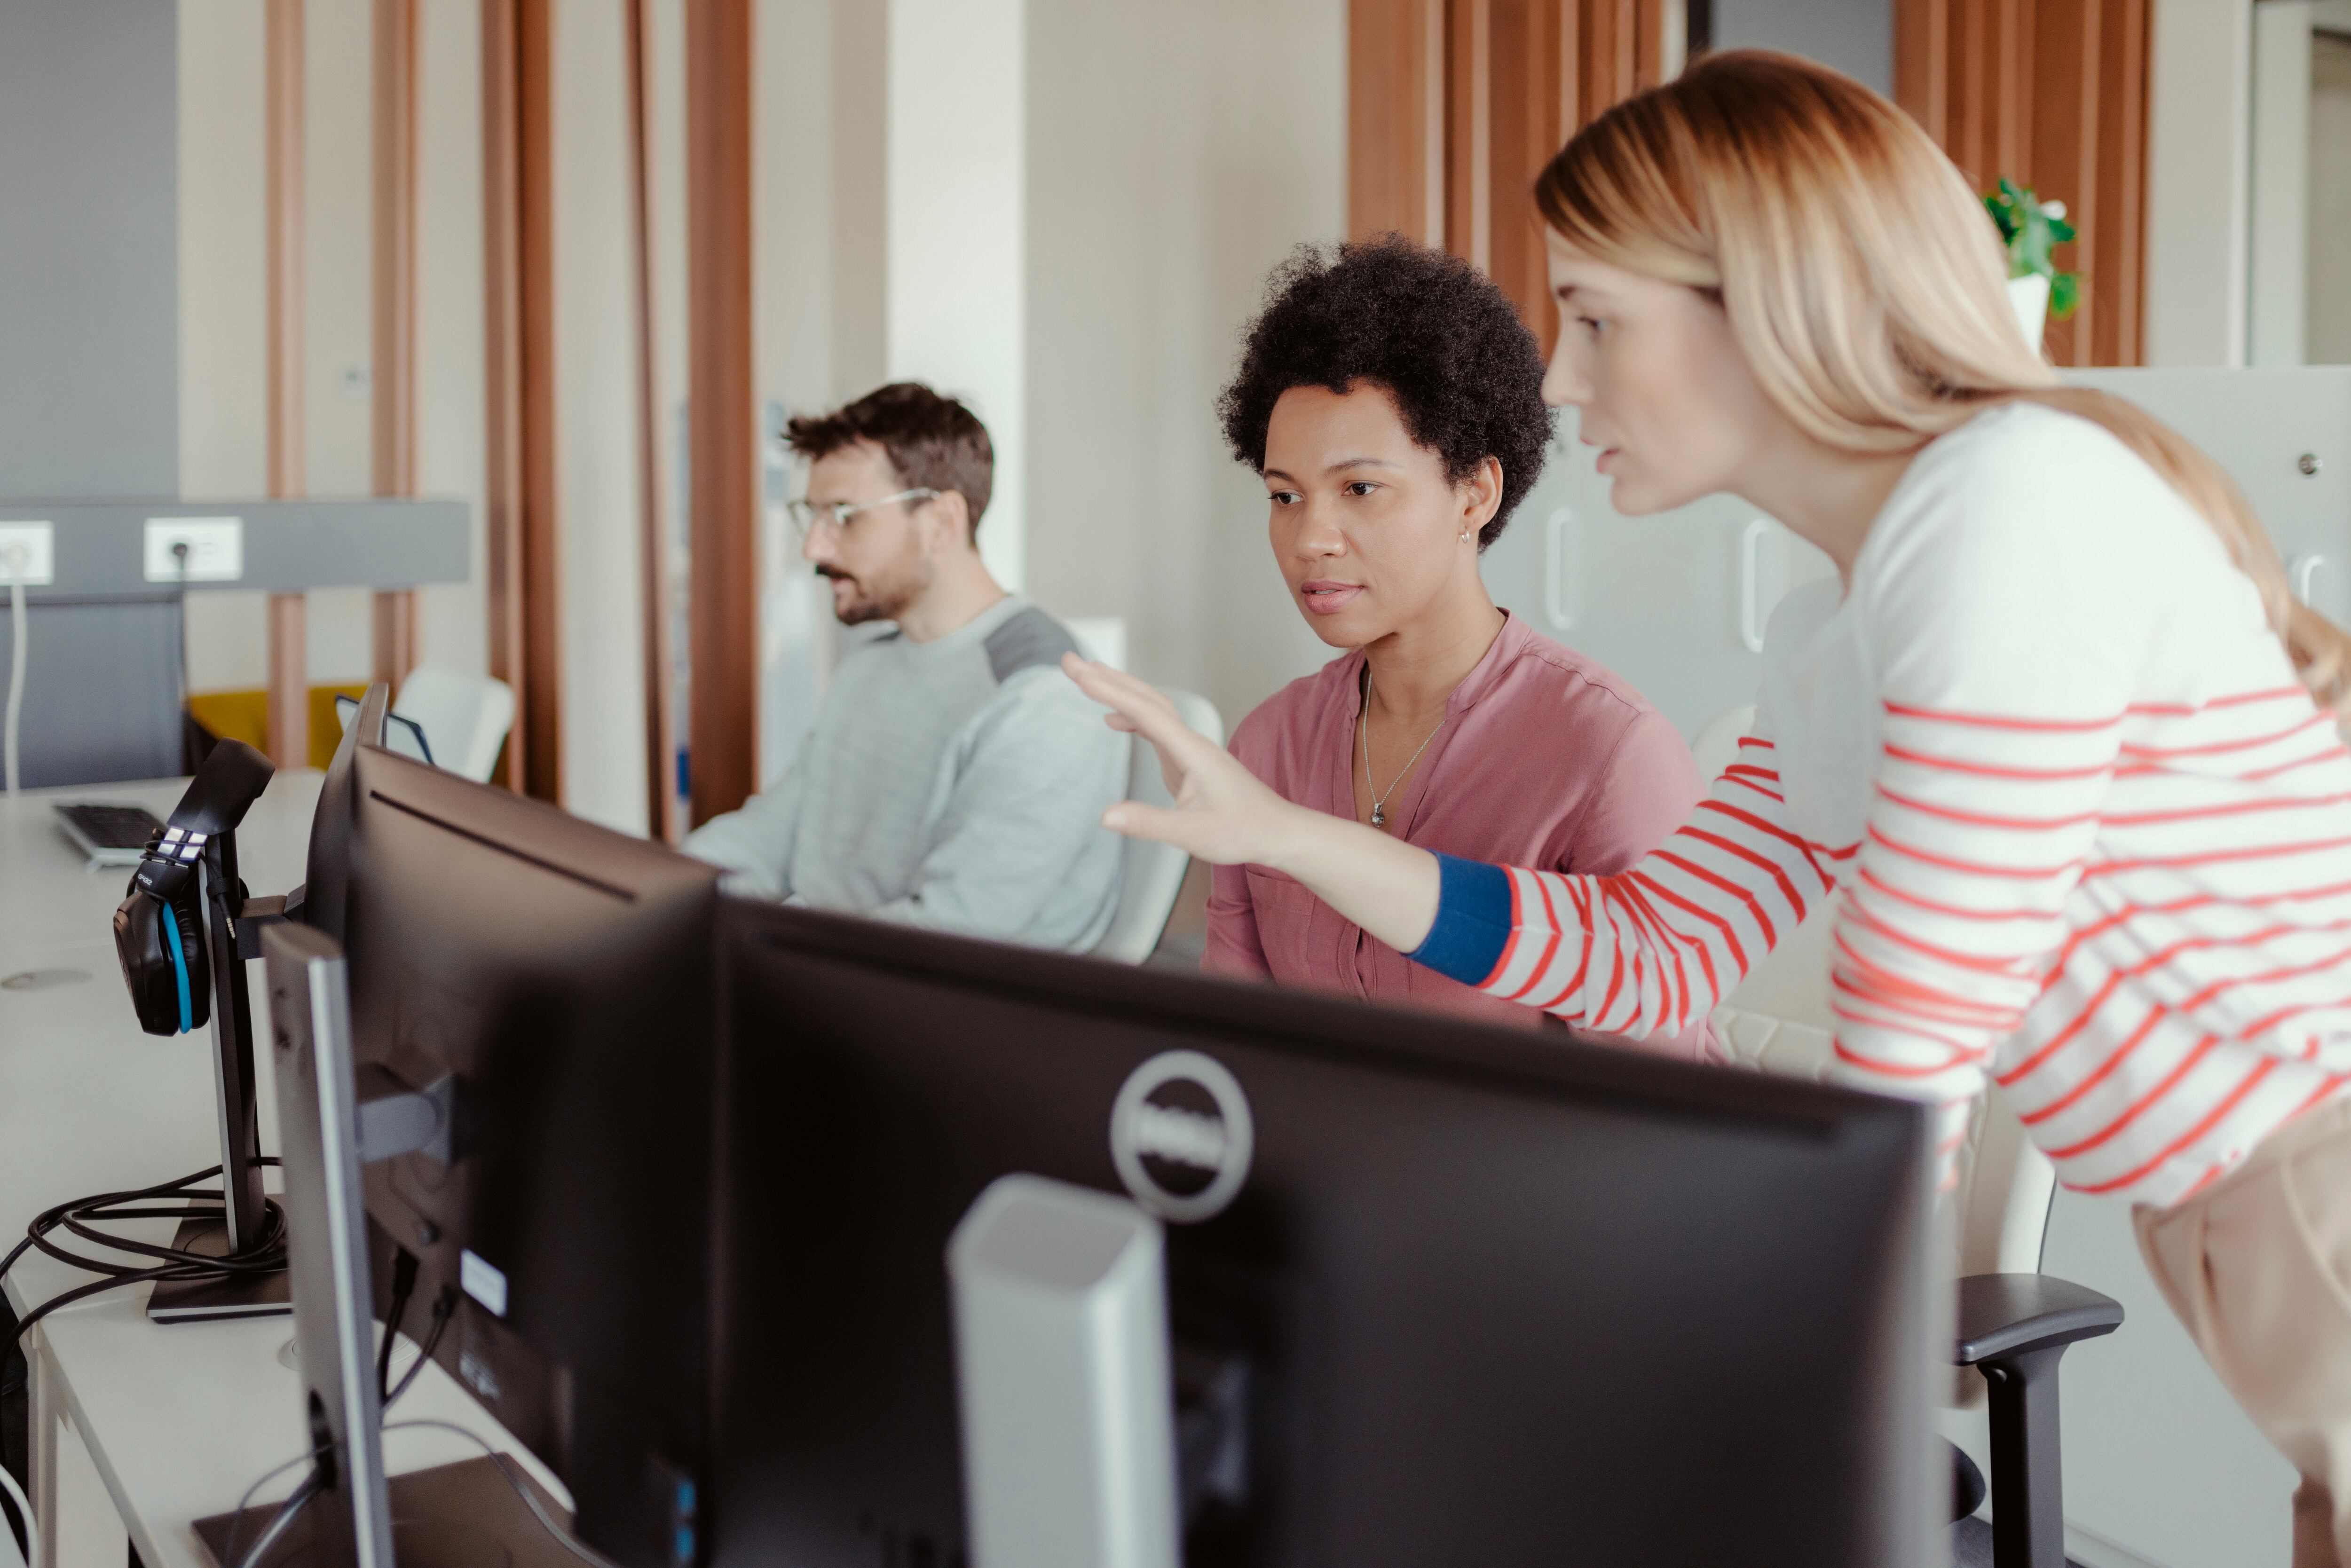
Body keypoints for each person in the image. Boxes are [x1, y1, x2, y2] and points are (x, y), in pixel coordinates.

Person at [1067, 51, 2351, 1566]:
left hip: (2308, 1172)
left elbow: (1911, 1033)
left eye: (1600, 319)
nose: (1558, 376)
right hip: (2228, 1202)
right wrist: (1284, 834)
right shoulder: (1839, 625)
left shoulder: (1997, 515)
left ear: (1767, 304)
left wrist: (1779, 1384)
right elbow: (1652, 945)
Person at [1202, 237, 1710, 1056]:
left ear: (1475, 492)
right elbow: (1234, 1054)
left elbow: (1670, 1121)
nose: (1311, 539)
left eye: (1360, 489)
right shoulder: (1266, 745)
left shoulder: (1610, 756)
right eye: (1284, 496)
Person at [686, 381, 1126, 953]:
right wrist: (651, 891)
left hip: (938, 1012)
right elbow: (775, 833)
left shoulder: (1045, 696)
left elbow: (946, 935)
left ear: (941, 520)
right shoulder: (869, 667)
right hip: (825, 975)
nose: (813, 549)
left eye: (843, 515)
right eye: (813, 516)